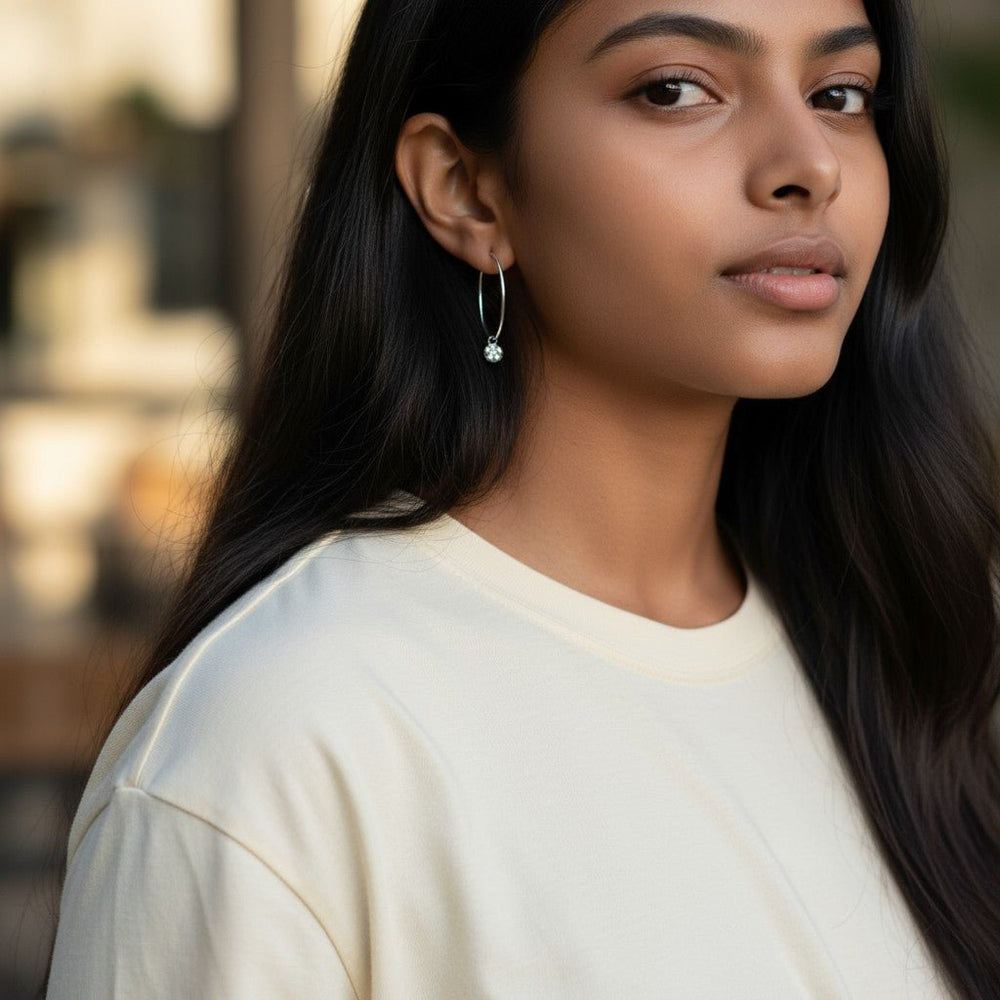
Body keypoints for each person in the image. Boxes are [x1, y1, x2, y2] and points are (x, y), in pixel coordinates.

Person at [44, 0, 1000, 996]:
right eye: (675, 90)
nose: (810, 164)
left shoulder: (885, 642)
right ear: (466, 190)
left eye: (839, 94)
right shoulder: (278, 738)